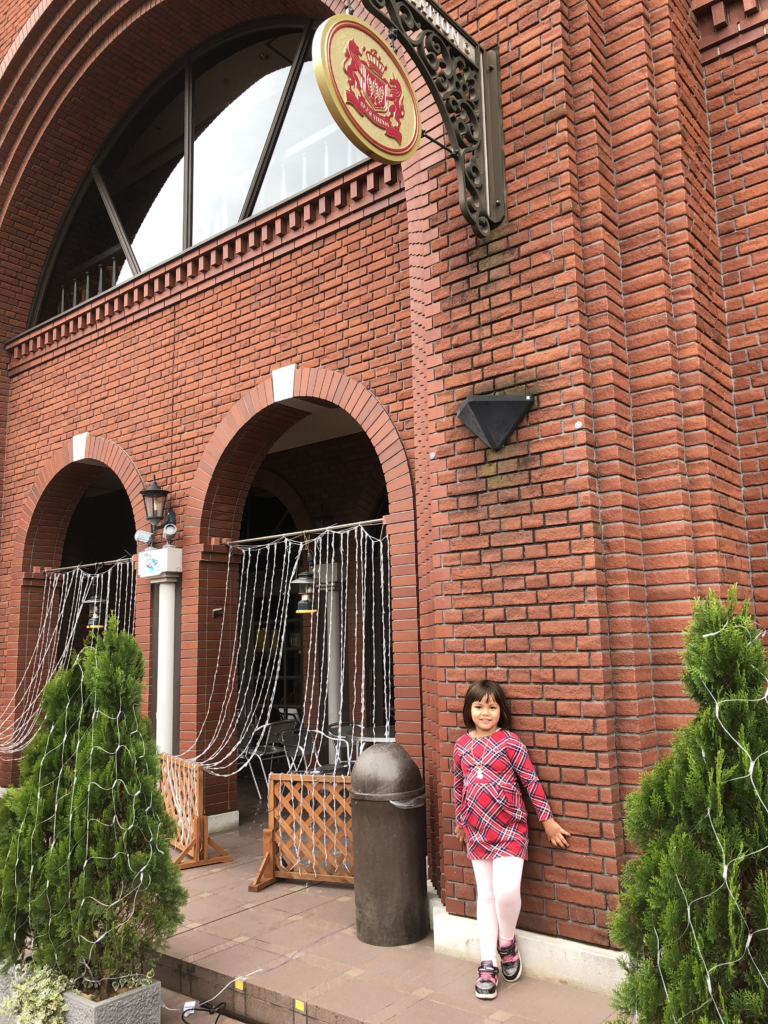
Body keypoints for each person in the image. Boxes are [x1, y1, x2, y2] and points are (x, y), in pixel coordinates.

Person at [453, 679, 570, 1000]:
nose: (485, 712)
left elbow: (530, 781)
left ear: (501, 711)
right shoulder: (461, 745)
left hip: (510, 829)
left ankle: (507, 942)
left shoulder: (510, 742)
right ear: (470, 710)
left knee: (505, 892)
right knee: (486, 896)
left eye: (492, 706)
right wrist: (460, 822)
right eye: (479, 706)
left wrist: (546, 820)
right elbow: (459, 786)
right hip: (476, 831)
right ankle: (488, 962)